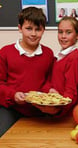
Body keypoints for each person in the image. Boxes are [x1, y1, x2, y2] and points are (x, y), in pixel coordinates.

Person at [0, 7, 55, 137]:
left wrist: (50, 90)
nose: (33, 34)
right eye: (29, 28)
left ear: (43, 30)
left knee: (46, 139)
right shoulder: (5, 52)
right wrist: (13, 95)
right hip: (11, 108)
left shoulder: (48, 54)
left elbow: (47, 80)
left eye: (38, 29)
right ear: (20, 28)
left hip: (38, 109)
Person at [47, 16, 78, 116]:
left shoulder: (74, 57)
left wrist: (60, 108)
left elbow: (71, 90)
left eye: (68, 32)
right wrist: (50, 90)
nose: (63, 36)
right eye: (60, 32)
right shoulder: (58, 57)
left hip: (65, 112)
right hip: (54, 108)